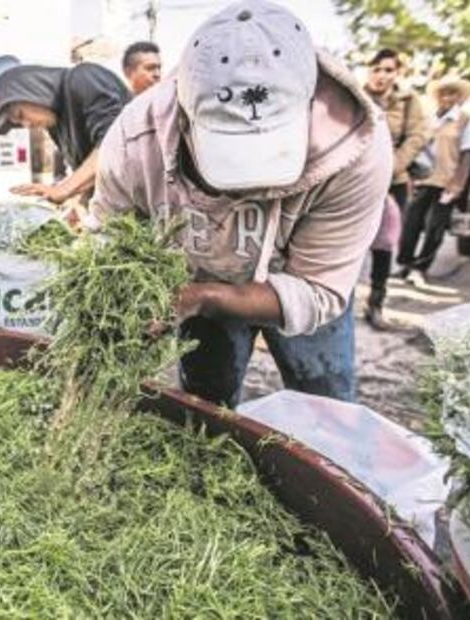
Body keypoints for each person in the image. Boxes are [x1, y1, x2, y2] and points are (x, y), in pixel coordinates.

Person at [89, 0, 392, 407]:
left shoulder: (355, 150)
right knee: (205, 407)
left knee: (326, 404)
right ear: (185, 116)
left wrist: (204, 297)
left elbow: (319, 288)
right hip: (198, 272)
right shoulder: (133, 142)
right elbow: (108, 238)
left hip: (298, 275)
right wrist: (127, 305)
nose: (248, 188)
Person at [0, 62, 131, 205]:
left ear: (32, 91)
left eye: (21, 115)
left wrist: (64, 189)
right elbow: (92, 171)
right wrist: (74, 202)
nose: (27, 125)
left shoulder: (84, 78)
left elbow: (113, 144)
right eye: (19, 124)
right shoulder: (55, 124)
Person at [362, 48, 429, 329]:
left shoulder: (408, 100)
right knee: (346, 240)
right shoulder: (356, 94)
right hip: (358, 180)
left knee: (384, 245)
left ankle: (375, 303)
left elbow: (417, 136)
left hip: (394, 182)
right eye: (376, 69)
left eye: (388, 70)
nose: (381, 75)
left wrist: (392, 166)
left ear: (397, 73)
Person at [397, 76, 470, 285]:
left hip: (447, 182)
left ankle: (420, 268)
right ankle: (406, 264)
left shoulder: (466, 120)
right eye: (443, 93)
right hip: (423, 179)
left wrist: (458, 184)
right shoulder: (430, 119)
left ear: (459, 97)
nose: (447, 97)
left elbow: (468, 154)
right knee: (410, 223)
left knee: (435, 227)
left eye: (452, 93)